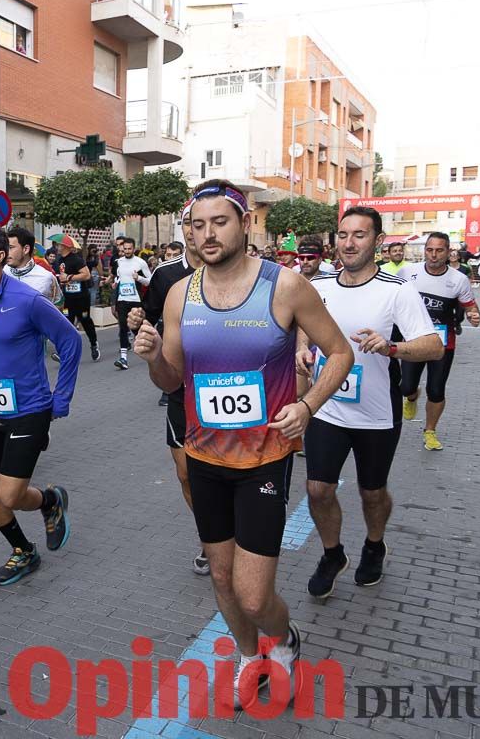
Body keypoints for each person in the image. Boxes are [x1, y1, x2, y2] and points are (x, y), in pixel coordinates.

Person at [133, 179, 354, 710]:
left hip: (263, 459)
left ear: (245, 223)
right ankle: (250, 655)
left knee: (256, 594)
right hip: (203, 457)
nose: (206, 234)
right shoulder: (179, 294)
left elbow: (340, 353)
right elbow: (171, 382)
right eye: (197, 224)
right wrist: (152, 357)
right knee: (225, 581)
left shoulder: (286, 286)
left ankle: (285, 640)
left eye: (219, 222)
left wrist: (306, 407)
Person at [297, 207, 443, 599]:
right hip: (327, 406)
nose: (348, 242)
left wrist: (391, 347)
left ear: (377, 241)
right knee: (317, 489)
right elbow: (302, 327)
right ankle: (332, 555)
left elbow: (433, 345)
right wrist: (302, 349)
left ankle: (374, 545)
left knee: (371, 493)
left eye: (359, 235)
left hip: (376, 413)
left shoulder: (397, 291)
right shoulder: (321, 287)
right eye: (343, 235)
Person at [0, 223, 81, 585]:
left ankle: (49, 500)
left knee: (8, 494)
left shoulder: (27, 300)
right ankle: (23, 551)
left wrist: (62, 396)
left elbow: (70, 341)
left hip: (29, 410)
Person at [127, 201, 207, 574]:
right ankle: (211, 535)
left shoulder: (243, 274)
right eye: (191, 223)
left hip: (229, 387)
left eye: (208, 223)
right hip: (180, 389)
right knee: (187, 473)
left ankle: (236, 533)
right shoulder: (165, 275)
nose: (197, 231)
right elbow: (149, 318)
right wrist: (136, 321)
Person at [397, 232, 480, 450]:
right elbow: (393, 300)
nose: (433, 255)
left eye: (439, 250)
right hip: (414, 341)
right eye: (429, 250)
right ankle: (412, 397)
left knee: (436, 390)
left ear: (448, 252)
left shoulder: (458, 279)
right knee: (406, 386)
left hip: (443, 344)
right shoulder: (408, 272)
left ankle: (430, 431)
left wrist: (474, 315)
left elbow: (471, 306)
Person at [108, 236, 151, 370]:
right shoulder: (118, 262)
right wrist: (116, 283)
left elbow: (150, 281)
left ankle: (148, 347)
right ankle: (123, 358)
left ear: (134, 249)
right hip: (122, 299)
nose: (127, 251)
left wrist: (138, 278)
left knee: (136, 328)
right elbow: (119, 276)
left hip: (135, 300)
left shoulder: (140, 262)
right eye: (124, 249)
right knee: (122, 327)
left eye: (129, 249)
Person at [56, 236, 100, 361]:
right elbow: (63, 277)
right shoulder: (60, 260)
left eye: (59, 245)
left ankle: (94, 344)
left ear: (66, 247)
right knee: (66, 322)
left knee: (85, 320)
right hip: (68, 298)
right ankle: (64, 351)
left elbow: (86, 275)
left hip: (81, 298)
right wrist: (63, 282)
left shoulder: (77, 259)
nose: (57, 247)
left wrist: (69, 277)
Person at [7, 226, 62, 302]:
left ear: (26, 249)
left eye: (10, 247)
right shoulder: (0, 274)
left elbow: (58, 306)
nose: (6, 251)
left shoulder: (46, 278)